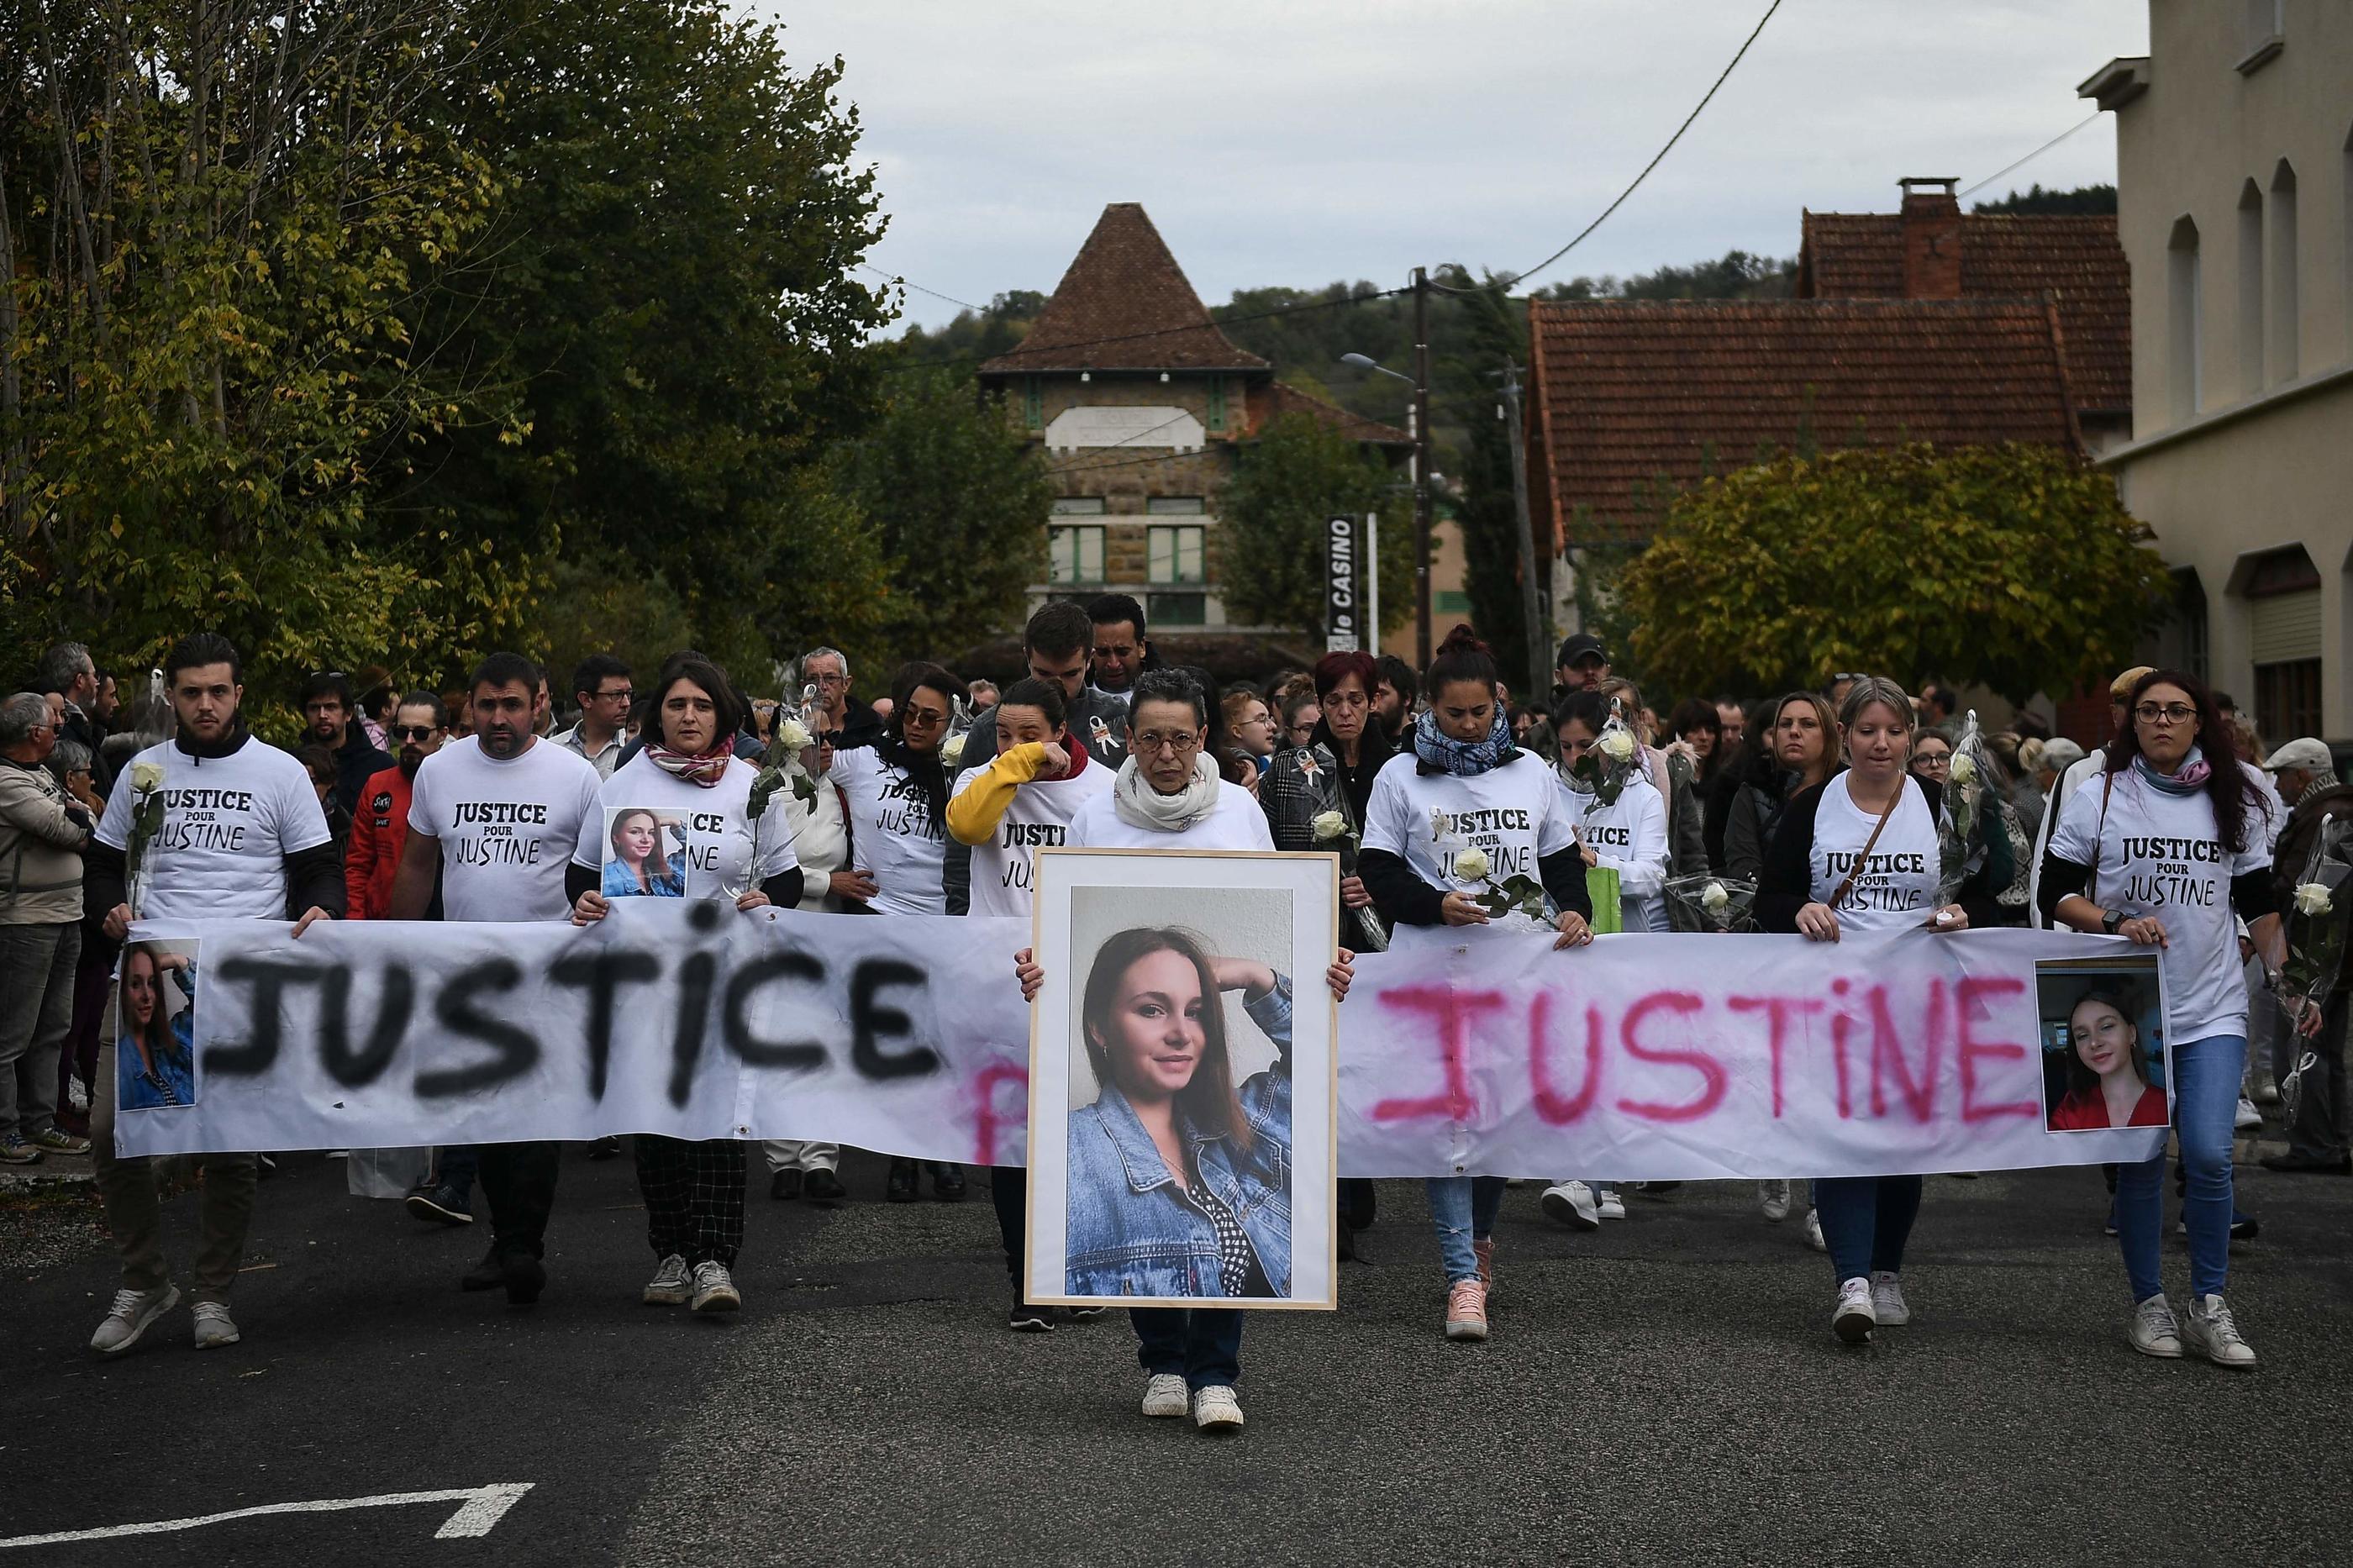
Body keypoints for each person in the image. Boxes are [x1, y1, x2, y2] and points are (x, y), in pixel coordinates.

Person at [1013, 665, 1350, 1434]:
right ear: (1129, 739)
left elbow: (1285, 902)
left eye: (1182, 737)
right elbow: (1057, 916)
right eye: (1151, 737)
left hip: (1207, 1041)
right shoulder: (1096, 817)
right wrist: (1042, 969)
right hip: (1127, 1041)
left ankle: (1215, 1374)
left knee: (1217, 1172)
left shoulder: (1239, 812)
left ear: (1204, 738)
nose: (1166, 753)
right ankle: (1163, 1359)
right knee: (1136, 1196)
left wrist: (1279, 967)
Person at [85, 633, 343, 1355]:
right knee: (112, 1132)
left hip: (240, 978)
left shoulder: (281, 772)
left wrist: (324, 908)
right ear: (174, 697)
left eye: (218, 691)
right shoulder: (143, 771)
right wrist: (106, 907)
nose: (205, 704)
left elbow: (320, 868)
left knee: (229, 1146)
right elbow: (103, 865)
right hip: (148, 975)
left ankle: (213, 1293)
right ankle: (144, 1280)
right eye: (191, 692)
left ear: (238, 694)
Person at [2040, 668, 2287, 1369]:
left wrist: (2288, 977)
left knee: (2209, 1154)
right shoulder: (2102, 795)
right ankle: (2148, 1302)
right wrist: (2115, 920)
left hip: (2211, 1005)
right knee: (2142, 1159)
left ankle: (2209, 1303)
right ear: (2132, 722)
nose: (2162, 722)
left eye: (2177, 711)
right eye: (2149, 711)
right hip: (2131, 1009)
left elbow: (2259, 901)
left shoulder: (2236, 794)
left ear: (2199, 720)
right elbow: (2057, 892)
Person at [1358, 626, 1594, 1342]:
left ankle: (1482, 1238)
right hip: (1434, 969)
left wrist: (1575, 906)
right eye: (1454, 714)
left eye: (1480, 713)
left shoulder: (1531, 772)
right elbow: (1377, 869)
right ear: (1429, 708)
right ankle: (1461, 1274)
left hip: (1514, 971)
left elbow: (1557, 859)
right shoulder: (1400, 777)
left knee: (1495, 1118)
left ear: (1498, 702)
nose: (1469, 726)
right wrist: (1434, 904)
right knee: (1446, 1119)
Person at [568, 652, 803, 1316]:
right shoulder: (620, 781)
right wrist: (585, 904)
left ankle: (715, 1261)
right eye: (676, 705)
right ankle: (670, 1252)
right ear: (655, 716)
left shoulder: (749, 786)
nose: (689, 716)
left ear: (722, 712)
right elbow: (584, 872)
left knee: (720, 1118)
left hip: (726, 981)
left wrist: (765, 899)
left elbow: (783, 876)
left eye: (701, 705)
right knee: (657, 1116)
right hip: (644, 981)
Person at [1759, 676, 1969, 1345]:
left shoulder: (1939, 805)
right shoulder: (1812, 807)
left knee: (1900, 1143)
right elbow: (1770, 896)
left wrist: (1965, 913)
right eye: (1868, 730)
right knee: (1843, 1134)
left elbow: (1993, 891)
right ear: (1844, 736)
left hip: (1917, 1003)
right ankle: (1851, 1281)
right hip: (1833, 1003)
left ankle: (1886, 1270)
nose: (1883, 743)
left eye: (1896, 731)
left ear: (1911, 736)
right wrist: (1800, 907)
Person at [945, 676, 1113, 1328]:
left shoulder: (1100, 787)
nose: (1013, 744)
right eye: (1002, 733)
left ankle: (1079, 1267)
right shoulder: (983, 779)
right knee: (1017, 1139)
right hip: (1002, 984)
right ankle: (1028, 1285)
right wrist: (1014, 763)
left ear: (1062, 726)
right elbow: (967, 827)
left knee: (1082, 1131)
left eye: (1029, 733)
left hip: (1078, 978)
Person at [1063, 931, 1297, 1300]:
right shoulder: (1068, 1149)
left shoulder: (1243, 1124)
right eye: (1151, 1010)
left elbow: (1327, 1067)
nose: (1181, 1034)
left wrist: (1258, 978)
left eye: (1196, 1012)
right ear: (1100, 1027)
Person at [1258, 650, 1392, 1253]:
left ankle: (1361, 1176)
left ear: (1374, 702)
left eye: (1355, 700)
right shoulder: (1294, 767)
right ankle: (1329, 1205)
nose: (1343, 711)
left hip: (1387, 934)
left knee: (1369, 1063)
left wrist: (1379, 884)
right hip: (1319, 930)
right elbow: (1275, 846)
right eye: (1332, 700)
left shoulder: (1400, 764)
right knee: (1318, 1064)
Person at [1540, 687, 1667, 1232]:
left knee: (1613, 1061)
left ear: (1611, 743)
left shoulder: (1642, 797)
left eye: (1585, 745)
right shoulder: (1545, 788)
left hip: (1624, 942)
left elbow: (1653, 872)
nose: (1575, 758)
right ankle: (1580, 1176)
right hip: (1566, 939)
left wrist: (1600, 861)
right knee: (1570, 1056)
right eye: (1566, 747)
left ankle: (1604, 1176)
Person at [0, 691, 95, 1162]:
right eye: (55, 728)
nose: (59, 733)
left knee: (53, 1028)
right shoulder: (6, 781)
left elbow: (88, 818)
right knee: (14, 1031)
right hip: (25, 921)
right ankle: (5, 1129)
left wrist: (78, 814)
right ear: (34, 733)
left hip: (67, 915)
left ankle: (40, 1122)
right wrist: (76, 816)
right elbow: (69, 829)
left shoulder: (40, 776)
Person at [761, 715, 852, 1205]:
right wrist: (823, 881)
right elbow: (764, 861)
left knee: (826, 1043)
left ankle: (820, 1157)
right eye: (814, 739)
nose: (825, 746)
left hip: (831, 930)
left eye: (832, 738)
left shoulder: (840, 791)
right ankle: (782, 1158)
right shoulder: (771, 788)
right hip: (779, 925)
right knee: (777, 1043)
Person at [2260, 737, 2353, 1175]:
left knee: (2300, 1051)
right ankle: (2335, 1142)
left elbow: (2297, 891)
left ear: (2302, 775)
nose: (2277, 786)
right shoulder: (2338, 809)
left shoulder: (2321, 816)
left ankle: (2314, 1145)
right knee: (2330, 1053)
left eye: (2281, 776)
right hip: (2337, 954)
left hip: (2312, 954)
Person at [2028, 667, 2152, 929]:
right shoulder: (2083, 772)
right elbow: (2050, 870)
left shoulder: (2194, 777)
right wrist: (2058, 955)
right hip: (2097, 942)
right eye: (2134, 708)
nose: (2144, 719)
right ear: (2115, 714)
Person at [344, 692, 446, 922]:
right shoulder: (378, 786)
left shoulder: (458, 785)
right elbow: (358, 864)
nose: (409, 741)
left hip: (445, 924)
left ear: (442, 735)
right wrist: (355, 921)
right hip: (383, 922)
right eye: (401, 732)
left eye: (420, 733)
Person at [2049, 991, 2170, 1130]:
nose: (2094, 1043)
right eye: (2082, 1036)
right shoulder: (2070, 1110)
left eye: (2106, 1027)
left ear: (2131, 1034)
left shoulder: (2168, 1106)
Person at [295, 671, 392, 819]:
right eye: (314, 708)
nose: (322, 715)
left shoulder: (380, 767)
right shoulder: (291, 764)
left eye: (331, 707)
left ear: (348, 714)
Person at [115, 944, 197, 1109]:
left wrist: (178, 961)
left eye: (152, 983)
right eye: (135, 984)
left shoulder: (172, 1041)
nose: (146, 996)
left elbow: (214, 1007)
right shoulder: (119, 1063)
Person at [36, 642, 113, 800]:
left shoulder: (82, 728)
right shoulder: (61, 733)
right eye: (93, 675)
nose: (97, 682)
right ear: (80, 680)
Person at [553, 654, 634, 781]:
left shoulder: (636, 751)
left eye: (628, 694)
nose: (626, 703)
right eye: (616, 695)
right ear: (586, 700)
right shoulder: (554, 751)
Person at [798, 646, 884, 750]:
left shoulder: (872, 728)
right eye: (812, 679)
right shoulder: (789, 726)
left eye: (830, 678)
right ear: (803, 686)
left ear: (846, 684)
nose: (821, 687)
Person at [1086, 592, 1155, 710]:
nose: (1113, 664)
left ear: (1142, 647)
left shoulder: (1180, 696)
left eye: (1123, 652)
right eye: (1103, 653)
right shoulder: (1071, 698)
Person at [602, 808, 688, 897]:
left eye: (651, 833)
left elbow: (697, 855)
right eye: (635, 832)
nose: (646, 839)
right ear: (616, 838)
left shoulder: (665, 869)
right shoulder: (607, 875)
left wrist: (674, 822)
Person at [1222, 690, 1276, 774]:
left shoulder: (1270, 765)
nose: (1273, 726)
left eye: (1269, 718)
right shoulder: (1221, 771)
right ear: (1237, 731)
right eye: (1261, 720)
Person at [1371, 654, 1417, 745]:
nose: (1373, 704)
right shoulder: (1358, 745)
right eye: (1369, 695)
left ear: (1406, 698)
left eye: (1381, 694)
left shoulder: (1427, 744)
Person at [1551, 633, 1609, 700]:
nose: (1590, 672)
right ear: (1560, 676)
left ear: (1608, 671)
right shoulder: (1543, 709)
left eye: (1597, 665)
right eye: (1579, 666)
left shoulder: (1620, 707)